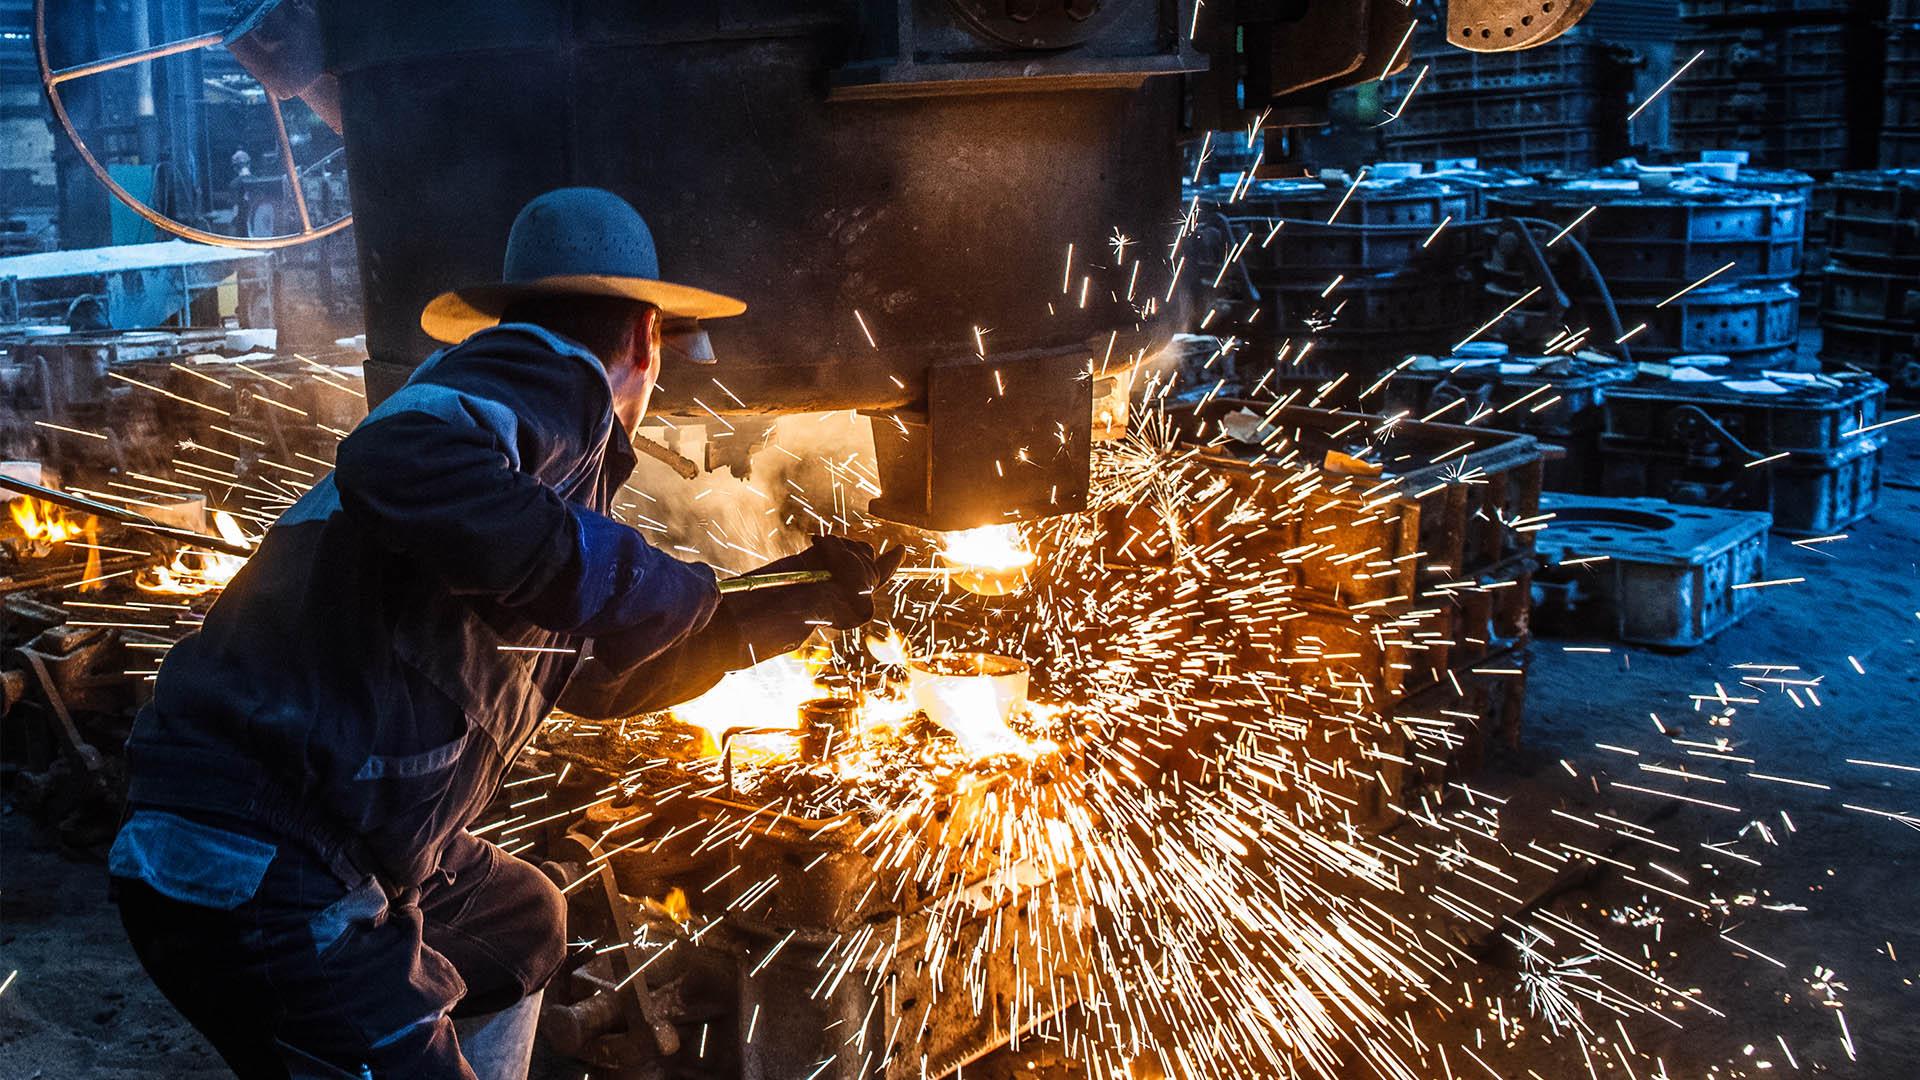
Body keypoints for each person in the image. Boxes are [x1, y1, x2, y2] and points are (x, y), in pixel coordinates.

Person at [107, 187, 901, 1080]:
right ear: (645, 337)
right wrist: (646, 580)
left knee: (518, 920)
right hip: (259, 865)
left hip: (270, 839)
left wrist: (776, 607)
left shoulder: (516, 480)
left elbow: (599, 675)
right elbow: (397, 458)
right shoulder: (541, 375)